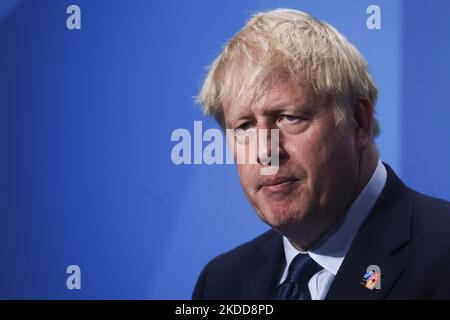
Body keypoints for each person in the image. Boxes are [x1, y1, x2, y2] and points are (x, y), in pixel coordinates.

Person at [192, 8, 450, 300]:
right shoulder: (220, 283)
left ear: (358, 122)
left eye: (289, 117)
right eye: (245, 126)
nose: (266, 152)